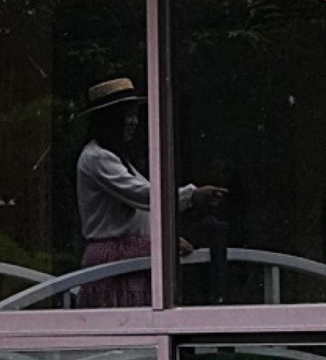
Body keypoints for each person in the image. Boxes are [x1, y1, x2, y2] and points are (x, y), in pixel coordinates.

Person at [75, 76, 220, 307]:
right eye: (127, 116)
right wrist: (190, 196)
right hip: (114, 257)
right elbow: (141, 195)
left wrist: (162, 240)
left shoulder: (119, 159)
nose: (133, 122)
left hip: (132, 256)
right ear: (110, 120)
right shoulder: (96, 157)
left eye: (134, 115)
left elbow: (140, 211)